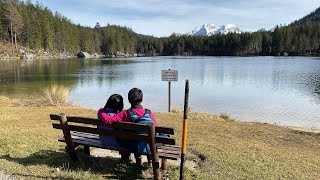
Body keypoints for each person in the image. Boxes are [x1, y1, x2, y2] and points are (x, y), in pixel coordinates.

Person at [97, 88, 157, 164]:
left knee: (127, 139)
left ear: (129, 100)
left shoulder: (125, 113)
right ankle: (149, 161)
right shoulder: (149, 112)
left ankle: (130, 160)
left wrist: (101, 111)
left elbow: (108, 120)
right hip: (149, 144)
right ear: (142, 100)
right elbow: (156, 127)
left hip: (134, 144)